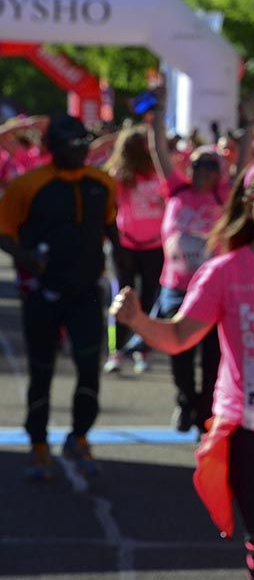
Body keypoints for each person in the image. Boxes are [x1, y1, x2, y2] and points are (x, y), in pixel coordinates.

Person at [110, 158, 254, 578]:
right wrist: (137, 321)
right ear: (248, 204)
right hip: (247, 431)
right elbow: (180, 336)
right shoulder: (223, 272)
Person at [0, 115, 119, 480]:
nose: (80, 150)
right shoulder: (27, 186)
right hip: (44, 293)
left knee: (88, 370)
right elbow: (4, 232)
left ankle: (79, 437)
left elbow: (113, 231)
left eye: (84, 144)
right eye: (72, 145)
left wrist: (127, 279)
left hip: (86, 293)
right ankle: (38, 446)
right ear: (53, 148)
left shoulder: (102, 183)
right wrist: (25, 258)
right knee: (42, 371)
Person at [147, 98, 229, 432]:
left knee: (212, 358)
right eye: (198, 165)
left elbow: (247, 164)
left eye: (211, 166)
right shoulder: (176, 190)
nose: (203, 171)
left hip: (210, 289)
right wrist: (156, 116)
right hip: (176, 287)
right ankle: (185, 400)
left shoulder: (224, 196)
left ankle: (204, 413)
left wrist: (253, 128)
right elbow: (158, 151)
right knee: (178, 354)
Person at [103, 124, 166, 374]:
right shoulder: (118, 176)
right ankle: (115, 350)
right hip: (126, 246)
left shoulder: (159, 173)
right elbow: (109, 211)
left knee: (149, 300)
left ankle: (141, 348)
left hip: (155, 247)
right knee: (120, 298)